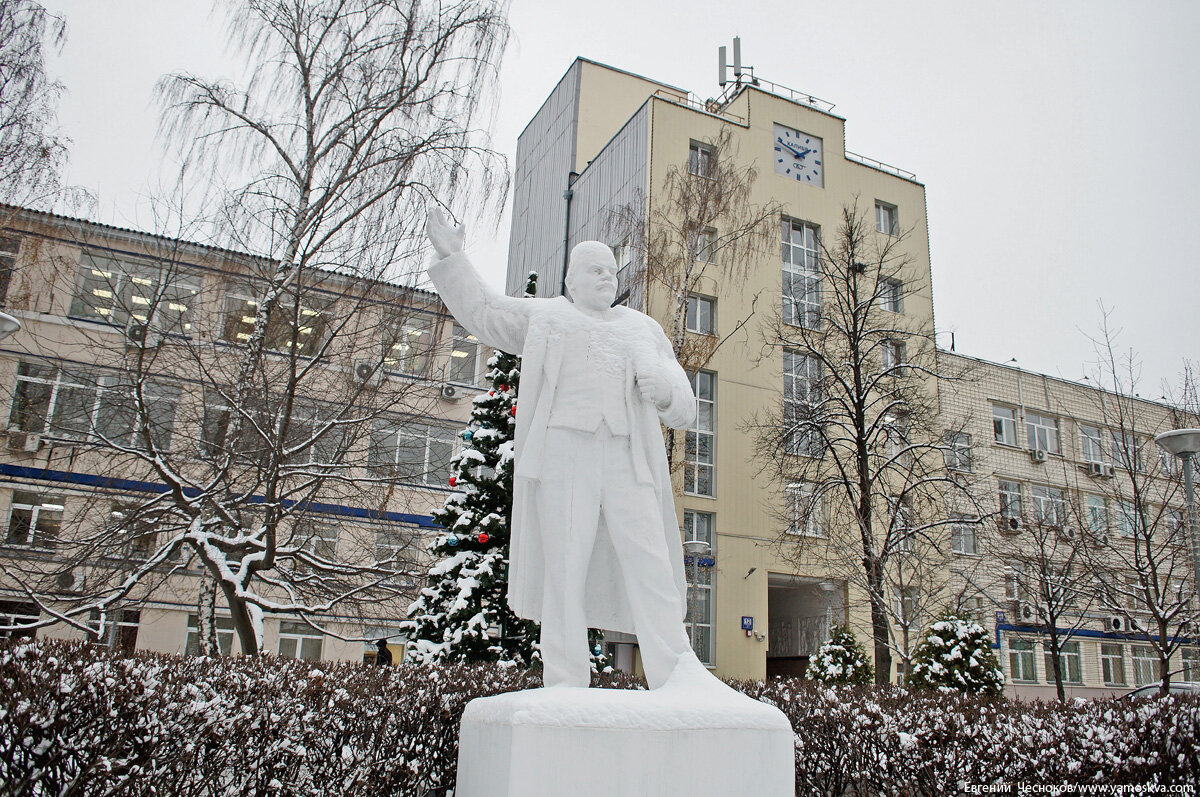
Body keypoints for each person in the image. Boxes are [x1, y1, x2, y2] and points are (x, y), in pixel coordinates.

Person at [425, 209, 710, 690]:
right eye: (595, 270)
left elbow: (684, 403)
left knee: (652, 564)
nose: (607, 278)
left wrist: (663, 391)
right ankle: (565, 680)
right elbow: (487, 311)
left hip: (626, 458)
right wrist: (453, 257)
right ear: (571, 280)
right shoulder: (547, 317)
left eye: (611, 271)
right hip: (564, 456)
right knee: (564, 567)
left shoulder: (641, 329)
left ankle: (676, 673)